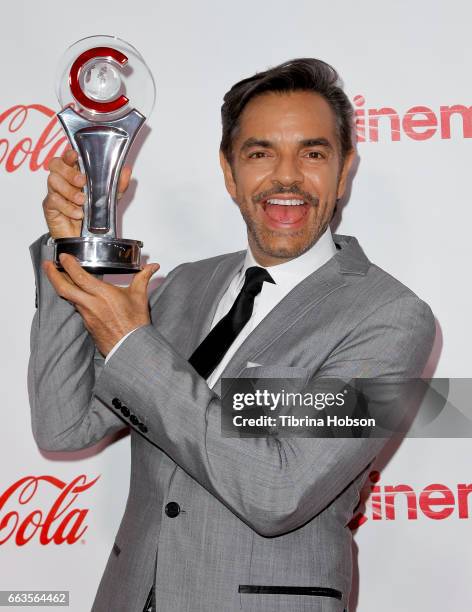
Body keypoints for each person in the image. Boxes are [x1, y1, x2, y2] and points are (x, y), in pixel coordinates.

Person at [28, 58, 435, 612]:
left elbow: (276, 491)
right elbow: (65, 425)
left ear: (344, 173)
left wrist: (132, 344)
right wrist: (68, 254)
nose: (286, 176)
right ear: (229, 171)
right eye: (260, 153)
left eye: (313, 153)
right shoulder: (182, 287)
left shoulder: (390, 319)